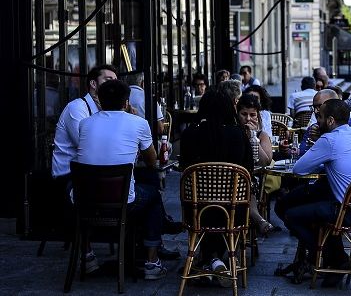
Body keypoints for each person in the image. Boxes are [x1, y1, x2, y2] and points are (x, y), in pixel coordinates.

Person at [76, 79, 167, 280]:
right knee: (153, 195)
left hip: (85, 201)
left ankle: (87, 254)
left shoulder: (85, 123)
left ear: (99, 100)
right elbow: (152, 161)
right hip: (123, 202)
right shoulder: (139, 123)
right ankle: (152, 261)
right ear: (126, 102)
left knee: (71, 188)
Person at [278, 99, 351, 287]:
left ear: (330, 120)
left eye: (319, 117)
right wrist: (326, 163)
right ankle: (334, 258)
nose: (317, 120)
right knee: (312, 204)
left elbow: (298, 169)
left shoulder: (329, 139)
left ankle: (326, 257)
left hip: (350, 212)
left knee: (290, 214)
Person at [179, 89, 254, 287]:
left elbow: (183, 168)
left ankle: (211, 259)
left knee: (207, 214)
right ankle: (220, 259)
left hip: (197, 210)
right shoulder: (238, 134)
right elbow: (249, 169)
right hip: (232, 211)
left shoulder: (189, 134)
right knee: (225, 214)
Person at [235, 94, 275, 235]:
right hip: (231, 179)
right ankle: (259, 219)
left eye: (252, 115)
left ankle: (257, 219)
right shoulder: (233, 133)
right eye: (244, 114)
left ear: (258, 117)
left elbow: (266, 161)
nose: (248, 118)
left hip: (253, 180)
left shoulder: (261, 135)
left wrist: (252, 137)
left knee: (248, 182)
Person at [300, 89, 351, 155]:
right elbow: (302, 153)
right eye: (314, 107)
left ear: (334, 105)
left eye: (319, 106)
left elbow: (350, 156)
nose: (316, 111)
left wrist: (321, 140)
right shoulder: (314, 128)